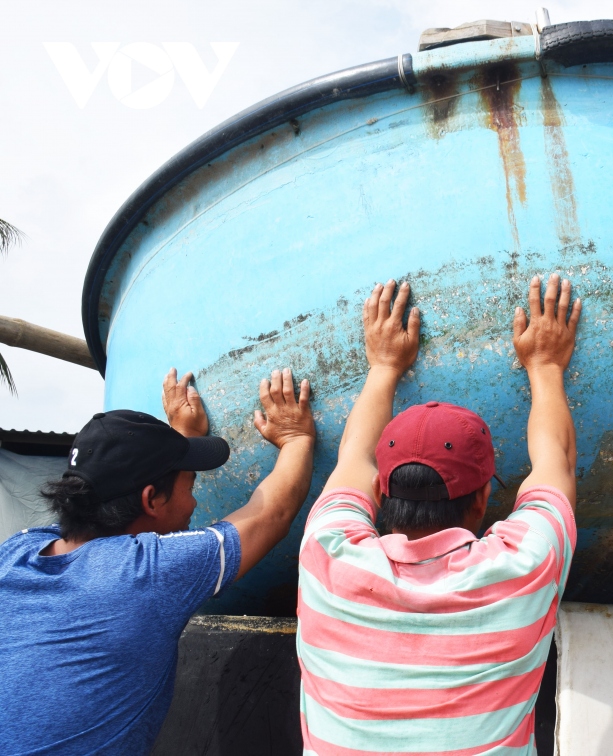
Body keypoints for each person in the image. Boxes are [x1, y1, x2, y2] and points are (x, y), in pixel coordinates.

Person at [296, 277, 580, 755]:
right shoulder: (524, 565)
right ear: (482, 499)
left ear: (378, 494)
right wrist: (546, 364)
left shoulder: (328, 559)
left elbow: (352, 460)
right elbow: (558, 462)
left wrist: (384, 366)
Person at [0, 366, 316, 754]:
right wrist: (297, 436)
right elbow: (272, 515)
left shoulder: (16, 553)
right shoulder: (145, 574)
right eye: (190, 485)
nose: (195, 502)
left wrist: (175, 445)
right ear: (151, 500)